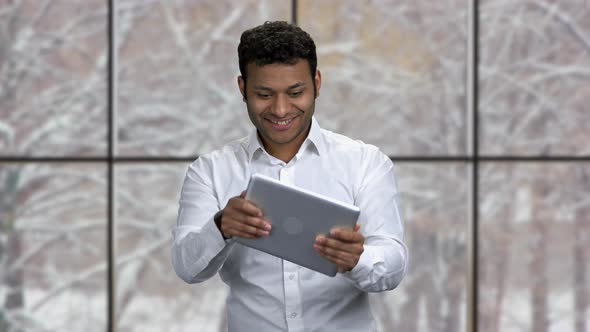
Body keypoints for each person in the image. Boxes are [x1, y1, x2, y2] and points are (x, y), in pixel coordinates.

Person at [171, 21, 407, 332]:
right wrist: (220, 228)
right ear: (242, 89)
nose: (281, 109)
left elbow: (393, 265)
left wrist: (357, 259)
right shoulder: (210, 171)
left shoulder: (365, 163)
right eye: (264, 94)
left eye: (295, 92)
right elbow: (187, 268)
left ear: (317, 83)